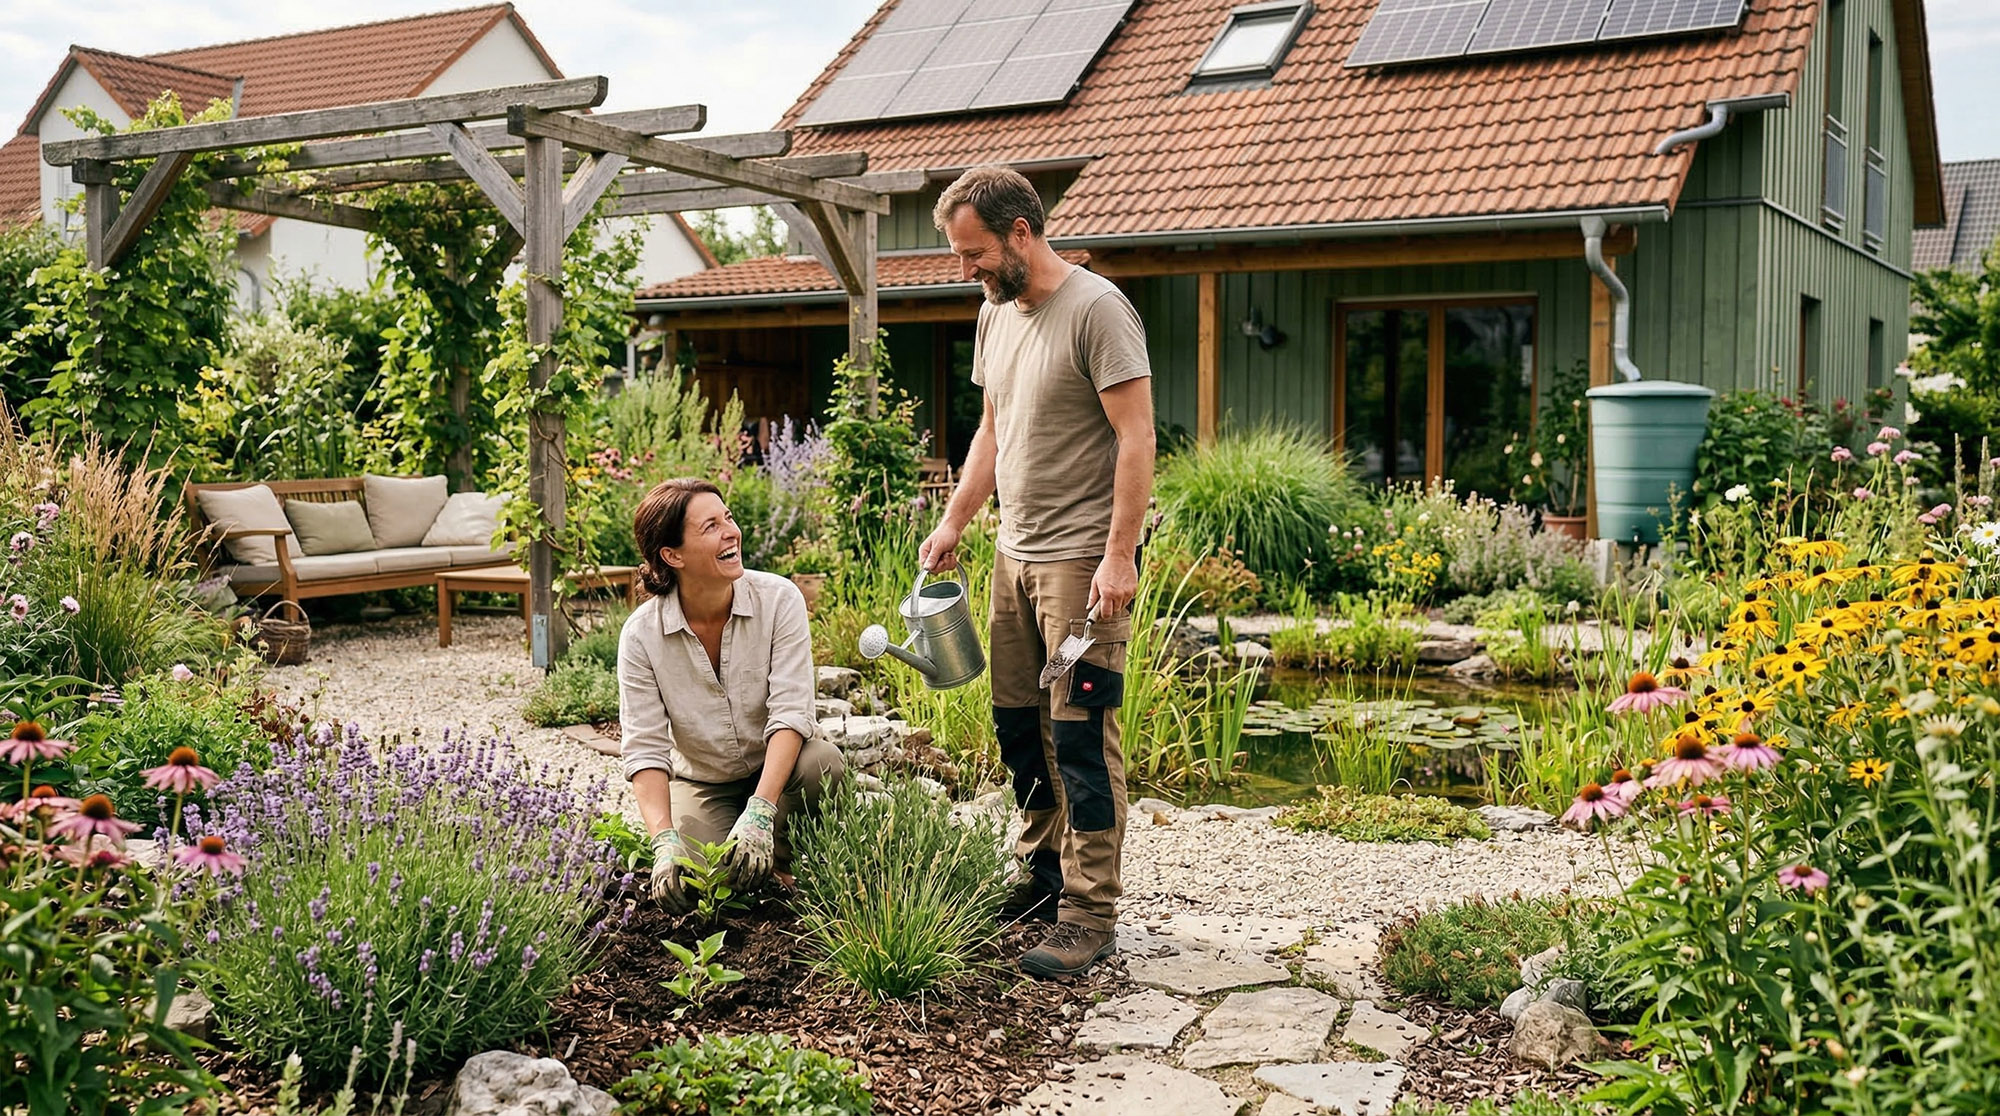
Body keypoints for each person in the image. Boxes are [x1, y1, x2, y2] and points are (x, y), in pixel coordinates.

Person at [918, 166, 1155, 978]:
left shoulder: (1097, 310)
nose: (965, 269)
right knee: (1020, 728)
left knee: (1082, 737)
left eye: (974, 252)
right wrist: (955, 519)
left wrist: (1119, 554)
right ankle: (1042, 875)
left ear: (1022, 232)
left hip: (1081, 569)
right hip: (1013, 558)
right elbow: (992, 430)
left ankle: (1090, 914)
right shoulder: (995, 316)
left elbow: (1136, 437)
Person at [617, 477, 844, 911]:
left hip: (781, 769)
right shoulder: (642, 636)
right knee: (700, 879)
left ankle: (781, 860)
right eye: (711, 526)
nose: (731, 532)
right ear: (672, 555)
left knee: (824, 765)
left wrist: (760, 811)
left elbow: (791, 713)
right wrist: (663, 842)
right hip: (704, 781)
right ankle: (753, 870)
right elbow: (645, 749)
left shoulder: (779, 600)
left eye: (729, 518)